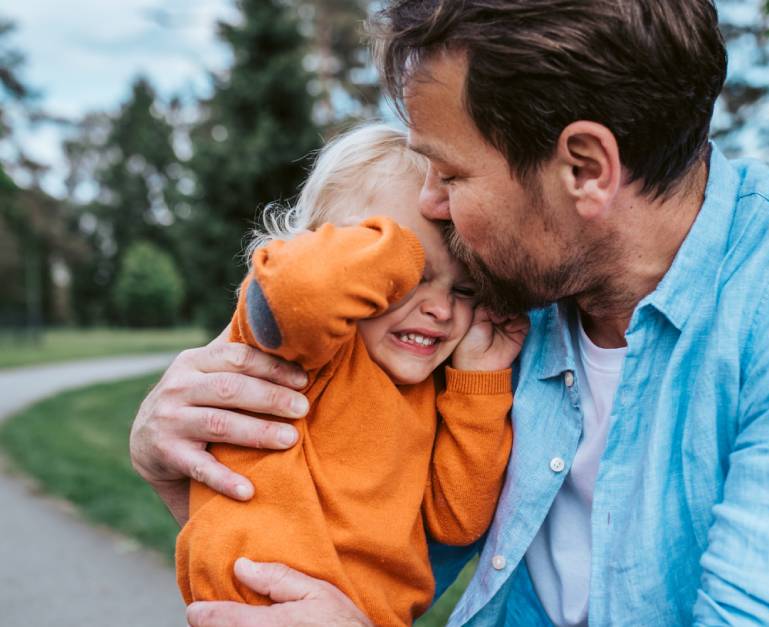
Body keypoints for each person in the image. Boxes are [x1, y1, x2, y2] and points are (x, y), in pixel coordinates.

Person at [131, 1, 769, 625]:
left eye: (451, 173)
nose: (428, 202)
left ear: (584, 167)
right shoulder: (512, 303)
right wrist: (192, 453)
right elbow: (386, 520)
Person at [173, 124, 526, 625]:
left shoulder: (429, 392)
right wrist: (402, 247)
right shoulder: (303, 345)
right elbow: (297, 291)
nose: (440, 310)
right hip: (260, 608)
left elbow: (458, 520)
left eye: (465, 291)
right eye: (408, 277)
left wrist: (479, 381)